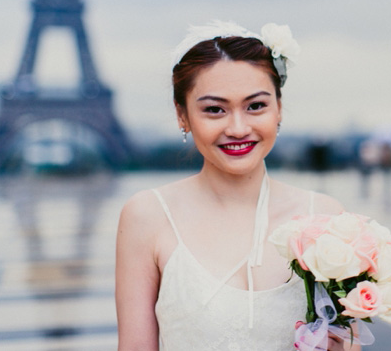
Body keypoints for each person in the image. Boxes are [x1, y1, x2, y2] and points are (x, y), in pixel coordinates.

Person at [115, 21, 357, 350]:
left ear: (279, 108)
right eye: (215, 110)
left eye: (256, 106)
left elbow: (349, 343)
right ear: (182, 115)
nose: (238, 128)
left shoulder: (326, 217)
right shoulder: (148, 216)